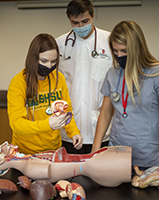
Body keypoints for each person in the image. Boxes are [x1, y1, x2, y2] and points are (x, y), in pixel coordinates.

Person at [91, 20, 159, 189]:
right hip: (117, 156)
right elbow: (105, 113)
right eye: (115, 51)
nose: (119, 56)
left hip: (150, 158)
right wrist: (95, 150)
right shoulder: (113, 74)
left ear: (137, 48)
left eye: (124, 51)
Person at [7, 33, 83, 155]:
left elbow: (66, 110)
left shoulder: (59, 79)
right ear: (33, 58)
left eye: (53, 61)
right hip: (25, 152)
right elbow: (16, 124)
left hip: (54, 150)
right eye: (44, 61)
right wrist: (48, 124)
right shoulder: (18, 83)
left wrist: (74, 132)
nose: (49, 66)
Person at [56, 0, 113, 154]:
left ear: (93, 16)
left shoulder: (109, 41)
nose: (80, 27)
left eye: (85, 21)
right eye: (75, 23)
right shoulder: (60, 44)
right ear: (69, 20)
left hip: (100, 125)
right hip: (68, 127)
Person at [0, 141, 132, 187]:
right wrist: (85, 164)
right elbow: (56, 171)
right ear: (0, 161)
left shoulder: (29, 164)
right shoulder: (30, 169)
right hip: (93, 165)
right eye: (1, 149)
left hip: (92, 161)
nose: (7, 145)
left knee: (122, 156)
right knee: (124, 163)